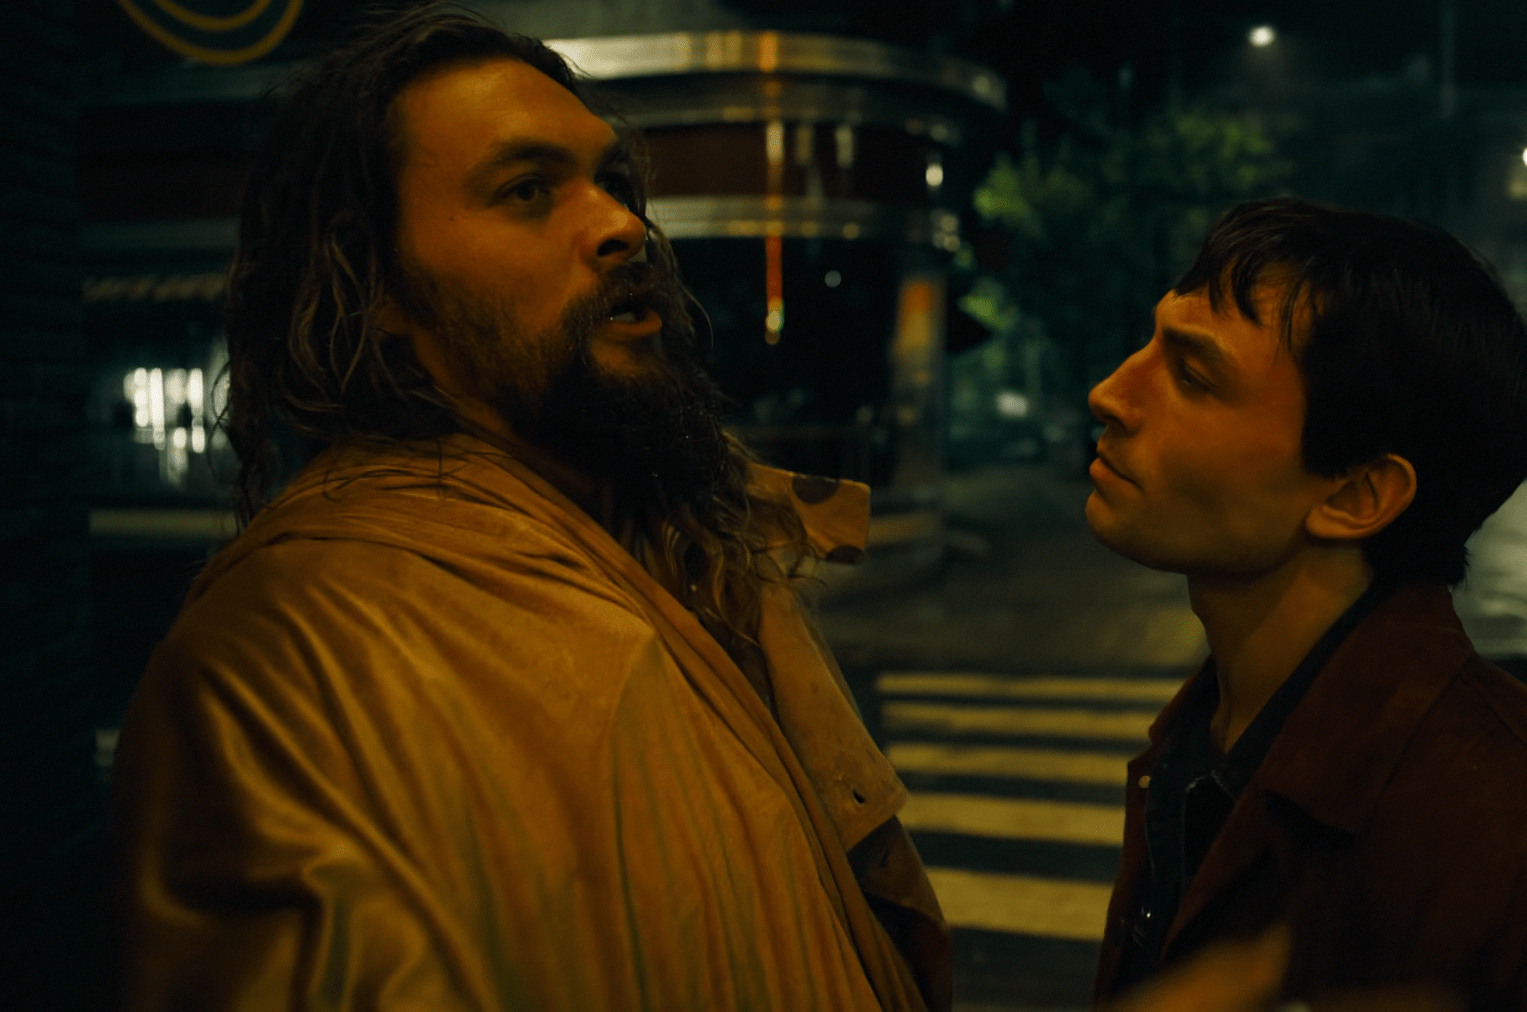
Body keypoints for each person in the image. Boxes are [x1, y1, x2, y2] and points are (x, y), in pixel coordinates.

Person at [109, 8, 947, 1011]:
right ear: (375, 284)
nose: (623, 225)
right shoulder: (281, 664)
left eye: (613, 180)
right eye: (528, 190)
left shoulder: (686, 544)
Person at [1085, 199, 1527, 1010]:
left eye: (1194, 376)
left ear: (1357, 495)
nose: (1109, 393)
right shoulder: (1204, 743)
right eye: (1150, 344)